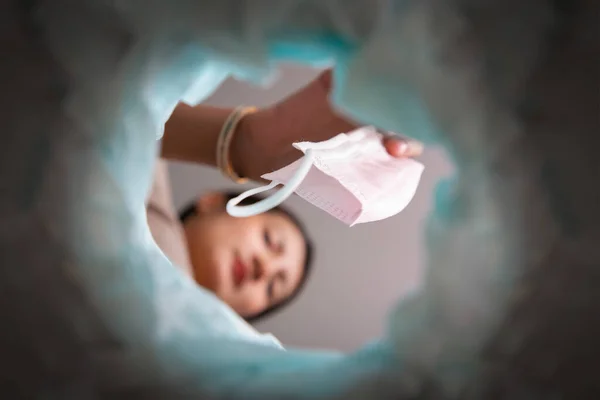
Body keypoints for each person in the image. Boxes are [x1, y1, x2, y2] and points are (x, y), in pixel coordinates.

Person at [149, 69, 423, 320]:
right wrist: (247, 144)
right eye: (269, 240)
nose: (264, 269)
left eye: (272, 288)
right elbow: (132, 120)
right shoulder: (136, 170)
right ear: (212, 202)